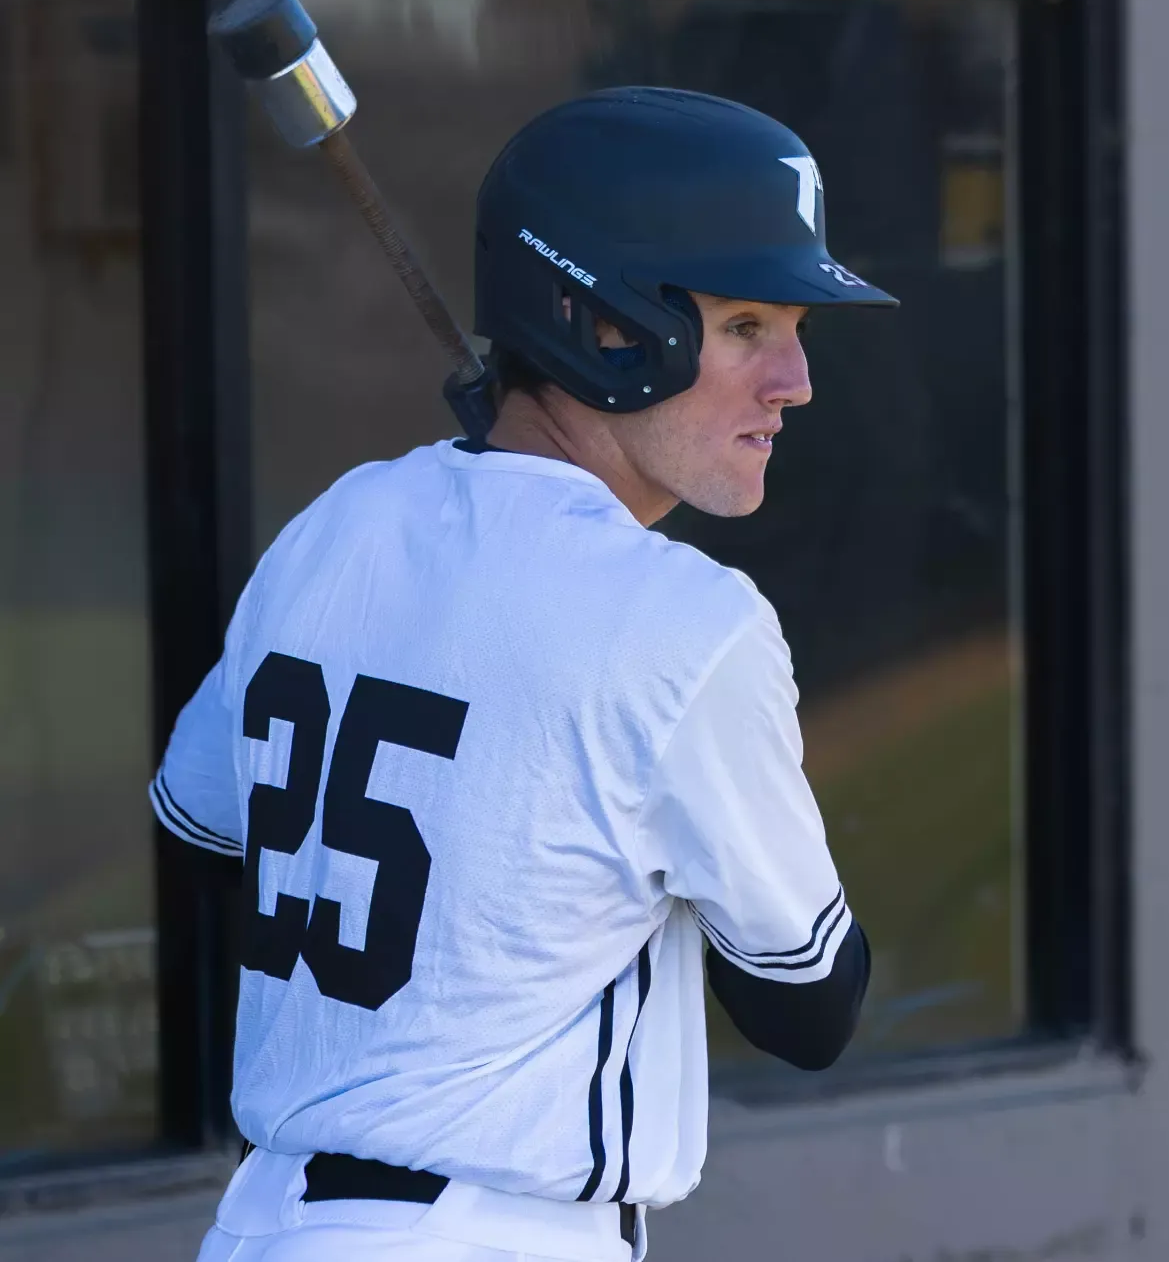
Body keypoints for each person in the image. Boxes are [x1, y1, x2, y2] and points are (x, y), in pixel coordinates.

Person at [148, 88, 896, 1262]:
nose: (793, 381)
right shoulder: (685, 623)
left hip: (265, 1229)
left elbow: (200, 835)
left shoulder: (339, 521)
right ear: (602, 325)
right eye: (748, 326)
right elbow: (809, 1005)